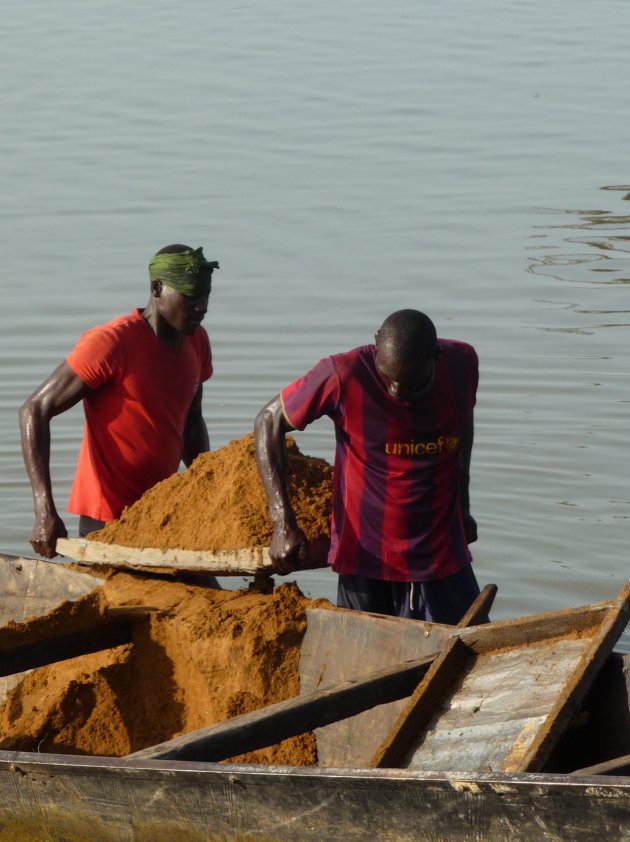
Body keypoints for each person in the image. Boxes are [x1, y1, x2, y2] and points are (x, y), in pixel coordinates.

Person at [254, 309, 481, 625]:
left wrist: (463, 504)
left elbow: (462, 424)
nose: (396, 392)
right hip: (366, 559)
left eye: (411, 383)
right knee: (365, 660)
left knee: (467, 649)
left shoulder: (462, 364)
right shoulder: (344, 374)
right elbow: (268, 421)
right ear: (376, 345)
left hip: (441, 554)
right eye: (388, 379)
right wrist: (282, 523)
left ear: (436, 357)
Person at [20, 243, 218, 559]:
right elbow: (34, 410)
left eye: (206, 296)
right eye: (192, 296)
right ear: (157, 288)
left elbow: (191, 424)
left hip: (162, 512)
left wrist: (209, 488)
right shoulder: (112, 342)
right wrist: (44, 510)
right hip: (108, 520)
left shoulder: (197, 341)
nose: (202, 306)